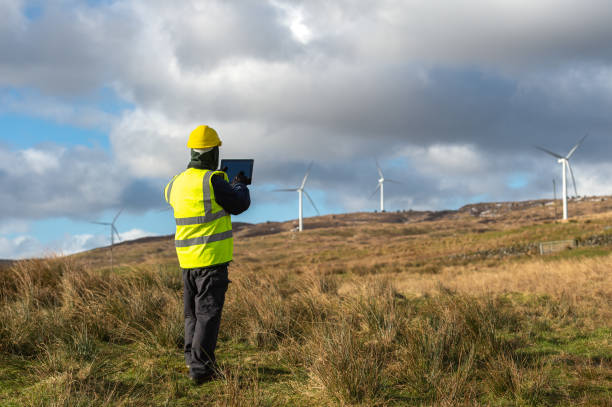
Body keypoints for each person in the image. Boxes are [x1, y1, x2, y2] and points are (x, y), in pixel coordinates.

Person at [164, 125, 250, 384]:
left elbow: (179, 201)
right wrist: (240, 185)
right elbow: (239, 204)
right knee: (208, 314)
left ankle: (193, 360)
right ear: (213, 151)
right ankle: (202, 371)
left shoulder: (174, 183)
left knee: (191, 315)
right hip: (211, 260)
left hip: (186, 261)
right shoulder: (214, 180)